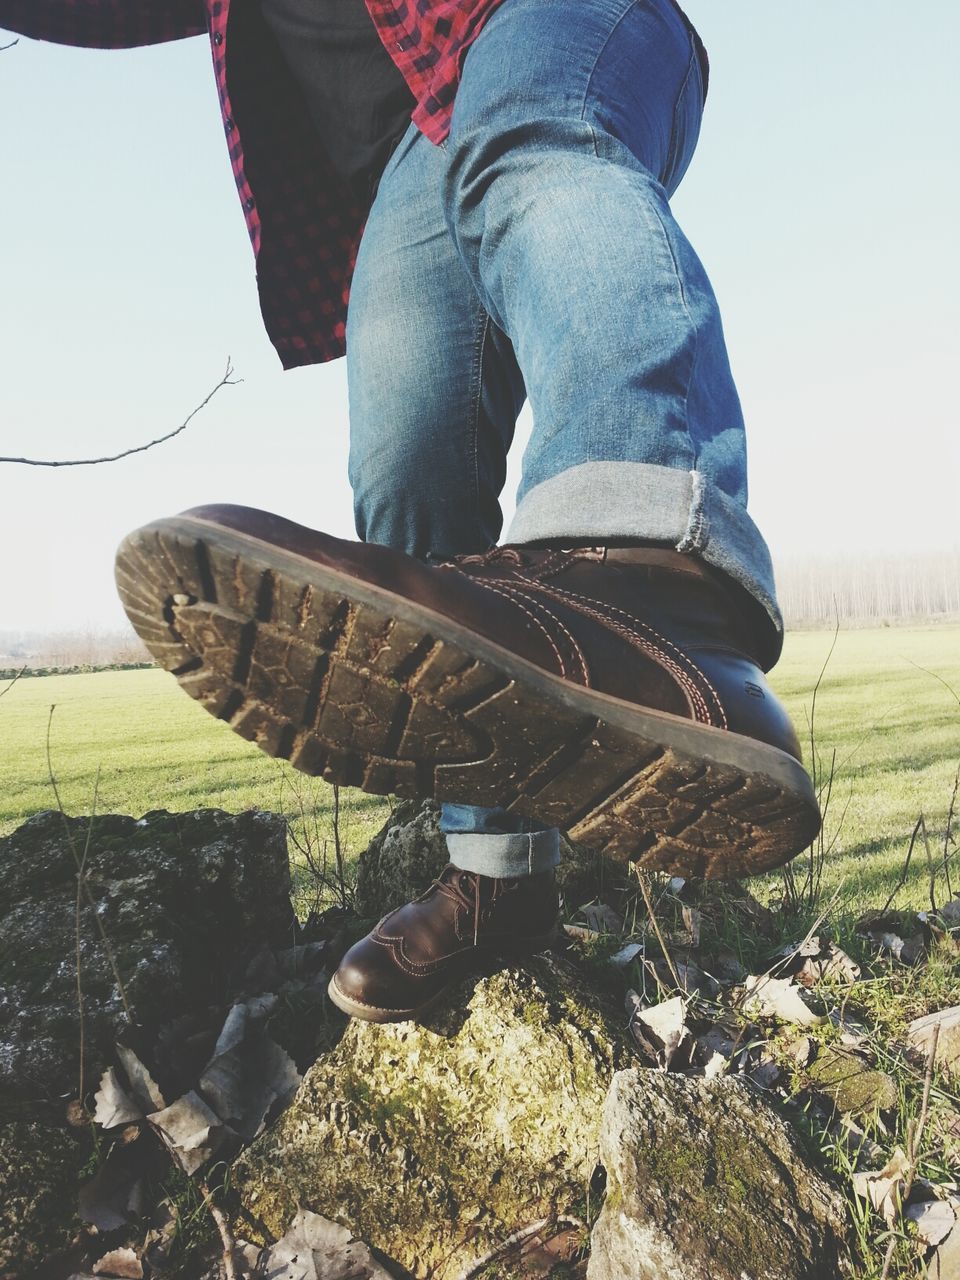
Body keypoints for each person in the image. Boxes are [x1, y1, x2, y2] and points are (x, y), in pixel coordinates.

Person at [3, 0, 819, 1024]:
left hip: (555, 21)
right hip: (417, 139)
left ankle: (660, 585)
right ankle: (499, 876)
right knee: (406, 450)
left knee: (532, 139)